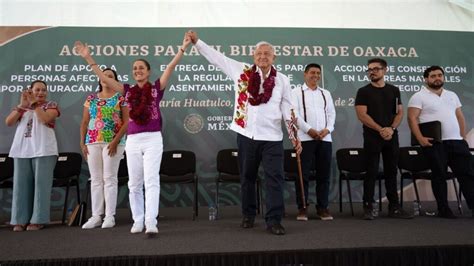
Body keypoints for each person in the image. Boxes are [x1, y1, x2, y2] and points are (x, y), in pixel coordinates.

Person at [75, 33, 191, 235]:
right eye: (135, 68)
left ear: (148, 71)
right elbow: (103, 78)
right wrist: (88, 57)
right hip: (133, 140)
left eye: (141, 68)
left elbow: (170, 67)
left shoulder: (156, 88)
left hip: (153, 138)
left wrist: (183, 48)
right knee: (134, 182)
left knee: (151, 180)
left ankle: (151, 221)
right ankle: (138, 220)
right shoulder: (126, 90)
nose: (138, 70)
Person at [188, 30, 301, 235]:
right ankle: (248, 214)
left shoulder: (282, 80)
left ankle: (274, 220)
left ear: (274, 57)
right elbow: (217, 59)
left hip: (272, 138)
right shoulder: (242, 71)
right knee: (247, 177)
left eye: (267, 54)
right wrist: (198, 42)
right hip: (246, 135)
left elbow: (288, 108)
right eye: (259, 54)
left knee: (275, 178)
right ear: (253, 56)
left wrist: (294, 136)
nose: (262, 57)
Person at [407, 65, 474, 218]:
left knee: (468, 174)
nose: (437, 78)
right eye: (433, 76)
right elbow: (412, 118)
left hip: (457, 142)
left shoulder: (452, 94)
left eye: (440, 75)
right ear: (426, 79)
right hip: (436, 143)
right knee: (439, 175)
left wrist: (462, 137)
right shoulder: (418, 96)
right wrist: (420, 138)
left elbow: (460, 116)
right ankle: (444, 209)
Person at [355, 58, 412, 220]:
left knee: (391, 171)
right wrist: (380, 129)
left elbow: (399, 112)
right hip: (373, 137)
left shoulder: (394, 90)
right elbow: (362, 115)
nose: (372, 72)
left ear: (385, 70)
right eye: (369, 69)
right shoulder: (363, 91)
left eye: (375, 69)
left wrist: (391, 129)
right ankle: (369, 206)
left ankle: (394, 207)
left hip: (391, 136)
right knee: (371, 171)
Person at [5, 80, 60, 231]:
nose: (40, 93)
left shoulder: (51, 105)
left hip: (44, 150)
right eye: (37, 90)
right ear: (30, 90)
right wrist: (22, 105)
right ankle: (19, 219)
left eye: (43, 90)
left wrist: (35, 104)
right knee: (20, 186)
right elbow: (8, 122)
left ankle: (38, 219)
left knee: (41, 186)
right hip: (22, 150)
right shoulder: (23, 108)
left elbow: (46, 119)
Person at [80, 68, 129, 229]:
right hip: (92, 141)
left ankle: (110, 216)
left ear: (114, 80)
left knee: (109, 178)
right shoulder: (91, 98)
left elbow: (127, 122)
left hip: (113, 143)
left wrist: (115, 141)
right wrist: (82, 142)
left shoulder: (120, 98)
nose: (106, 78)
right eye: (104, 76)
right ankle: (96, 216)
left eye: (110, 76)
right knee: (95, 179)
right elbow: (85, 122)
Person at [291, 63, 336, 221]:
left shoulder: (326, 93)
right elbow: (294, 115)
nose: (315, 75)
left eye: (318, 73)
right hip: (305, 138)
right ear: (305, 74)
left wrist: (327, 129)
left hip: (325, 139)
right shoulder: (296, 92)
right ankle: (302, 208)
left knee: (324, 175)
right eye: (312, 72)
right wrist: (309, 130)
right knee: (302, 175)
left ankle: (322, 208)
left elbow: (331, 114)